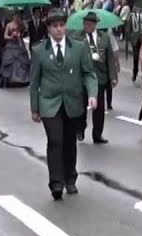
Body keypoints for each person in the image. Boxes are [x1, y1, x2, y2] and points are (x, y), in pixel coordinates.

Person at [30, 12, 99, 200]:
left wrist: (92, 94)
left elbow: (88, 73)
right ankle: (56, 183)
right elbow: (34, 82)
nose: (59, 29)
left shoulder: (78, 48)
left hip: (72, 102)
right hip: (49, 103)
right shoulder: (39, 51)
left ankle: (70, 178)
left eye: (61, 25)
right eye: (55, 26)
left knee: (69, 142)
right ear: (49, 29)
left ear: (65, 27)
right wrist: (35, 108)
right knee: (55, 141)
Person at [75, 12, 118, 144]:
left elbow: (110, 58)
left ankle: (97, 134)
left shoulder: (104, 38)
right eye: (85, 23)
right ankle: (80, 128)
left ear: (95, 25)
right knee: (81, 106)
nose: (86, 26)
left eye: (89, 24)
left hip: (100, 77)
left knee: (98, 108)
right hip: (82, 78)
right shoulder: (77, 37)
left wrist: (113, 76)